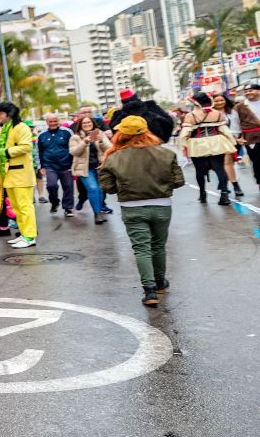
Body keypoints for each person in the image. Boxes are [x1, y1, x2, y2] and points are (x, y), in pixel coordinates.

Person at [98, 116, 184, 307]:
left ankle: (150, 290)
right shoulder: (165, 153)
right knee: (158, 246)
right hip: (162, 205)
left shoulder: (113, 157)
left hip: (132, 207)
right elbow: (178, 181)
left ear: (122, 133)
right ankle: (161, 283)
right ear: (146, 131)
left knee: (141, 249)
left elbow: (107, 186)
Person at [178, 91, 235, 205]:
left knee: (200, 171)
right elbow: (223, 129)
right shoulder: (217, 113)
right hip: (216, 142)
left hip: (198, 144)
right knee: (220, 169)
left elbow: (186, 132)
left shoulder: (191, 115)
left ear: (196, 102)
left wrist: (182, 144)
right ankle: (224, 195)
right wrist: (231, 142)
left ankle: (202, 193)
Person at [0, 101, 37, 248]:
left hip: (21, 175)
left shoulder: (22, 127)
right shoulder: (6, 128)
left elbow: (26, 146)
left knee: (25, 207)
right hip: (9, 176)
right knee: (17, 208)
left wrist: (5, 152)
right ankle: (24, 234)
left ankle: (30, 236)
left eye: (0, 113)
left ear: (9, 114)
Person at [69, 116, 112, 224]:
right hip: (84, 169)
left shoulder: (100, 133)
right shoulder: (75, 137)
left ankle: (100, 210)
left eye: (89, 122)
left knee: (100, 189)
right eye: (84, 123)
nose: (87, 124)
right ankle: (97, 213)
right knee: (93, 189)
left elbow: (110, 148)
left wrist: (102, 141)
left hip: (99, 167)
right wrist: (84, 142)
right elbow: (74, 152)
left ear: (93, 123)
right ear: (81, 125)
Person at [37, 113, 75, 217]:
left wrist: (73, 164)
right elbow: (39, 152)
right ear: (47, 122)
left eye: (55, 121)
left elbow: (73, 147)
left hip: (66, 165)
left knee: (68, 186)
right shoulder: (41, 135)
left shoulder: (67, 132)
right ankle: (54, 202)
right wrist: (41, 166)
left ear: (58, 121)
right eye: (51, 121)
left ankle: (68, 208)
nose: (53, 123)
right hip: (50, 166)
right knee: (51, 185)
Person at [108, 88, 175, 143]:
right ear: (135, 97)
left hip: (131, 150)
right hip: (155, 144)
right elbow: (168, 123)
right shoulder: (151, 108)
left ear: (122, 101)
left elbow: (115, 135)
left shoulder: (118, 117)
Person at [214, 93, 246, 197]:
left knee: (230, 164)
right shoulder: (211, 113)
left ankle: (224, 184)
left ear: (226, 100)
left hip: (237, 140)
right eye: (216, 101)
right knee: (228, 163)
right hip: (222, 141)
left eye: (221, 100)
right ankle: (235, 186)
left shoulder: (234, 110)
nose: (219, 103)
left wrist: (241, 137)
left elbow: (242, 123)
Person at [237, 82, 260, 187]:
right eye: (246, 91)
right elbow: (235, 123)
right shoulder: (240, 107)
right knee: (257, 160)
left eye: (251, 90)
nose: (248, 93)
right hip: (252, 137)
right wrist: (238, 137)